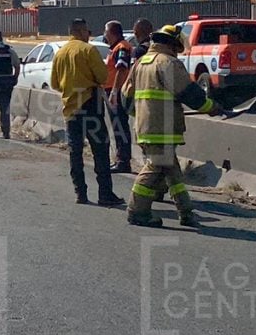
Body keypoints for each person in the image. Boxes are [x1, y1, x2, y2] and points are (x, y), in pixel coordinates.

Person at [124, 24, 221, 228]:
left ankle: (186, 213)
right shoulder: (168, 63)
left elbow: (126, 99)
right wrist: (212, 107)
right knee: (155, 167)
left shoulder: (141, 62)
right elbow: (189, 93)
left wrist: (142, 115)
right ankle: (137, 211)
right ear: (172, 44)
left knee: (172, 171)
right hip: (163, 129)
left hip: (145, 128)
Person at [50, 18, 124, 206]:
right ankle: (105, 194)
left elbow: (55, 84)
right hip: (91, 105)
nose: (89, 35)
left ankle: (80, 193)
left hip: (70, 109)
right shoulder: (88, 50)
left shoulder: (60, 53)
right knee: (100, 150)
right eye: (87, 31)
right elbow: (102, 76)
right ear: (82, 31)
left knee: (75, 152)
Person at [104, 20, 134, 173]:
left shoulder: (122, 47)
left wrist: (114, 92)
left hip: (117, 92)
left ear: (112, 32)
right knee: (117, 126)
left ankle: (123, 161)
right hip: (113, 91)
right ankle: (121, 159)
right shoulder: (116, 48)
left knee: (120, 126)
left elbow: (122, 69)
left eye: (106, 32)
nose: (105, 35)